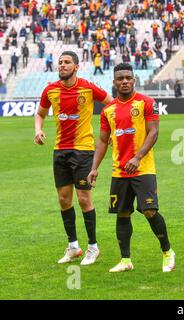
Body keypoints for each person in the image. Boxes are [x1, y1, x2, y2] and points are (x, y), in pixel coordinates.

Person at [87, 63, 176, 273]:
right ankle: (126, 260)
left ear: (134, 80)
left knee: (150, 210)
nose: (124, 81)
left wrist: (138, 157)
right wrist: (94, 168)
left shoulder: (146, 103)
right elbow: (102, 140)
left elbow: (153, 132)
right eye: (120, 78)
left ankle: (167, 252)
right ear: (114, 82)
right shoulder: (108, 110)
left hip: (143, 168)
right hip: (119, 170)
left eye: (128, 77)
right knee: (122, 213)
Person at [34, 51, 113, 266]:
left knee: (84, 199)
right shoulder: (50, 90)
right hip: (60, 151)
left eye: (67, 62)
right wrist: (38, 130)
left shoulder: (88, 87)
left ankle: (93, 247)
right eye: (60, 62)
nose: (62, 65)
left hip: (83, 150)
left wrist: (111, 130)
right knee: (63, 199)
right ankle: (73, 246)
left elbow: (112, 104)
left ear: (76, 67)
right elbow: (40, 113)